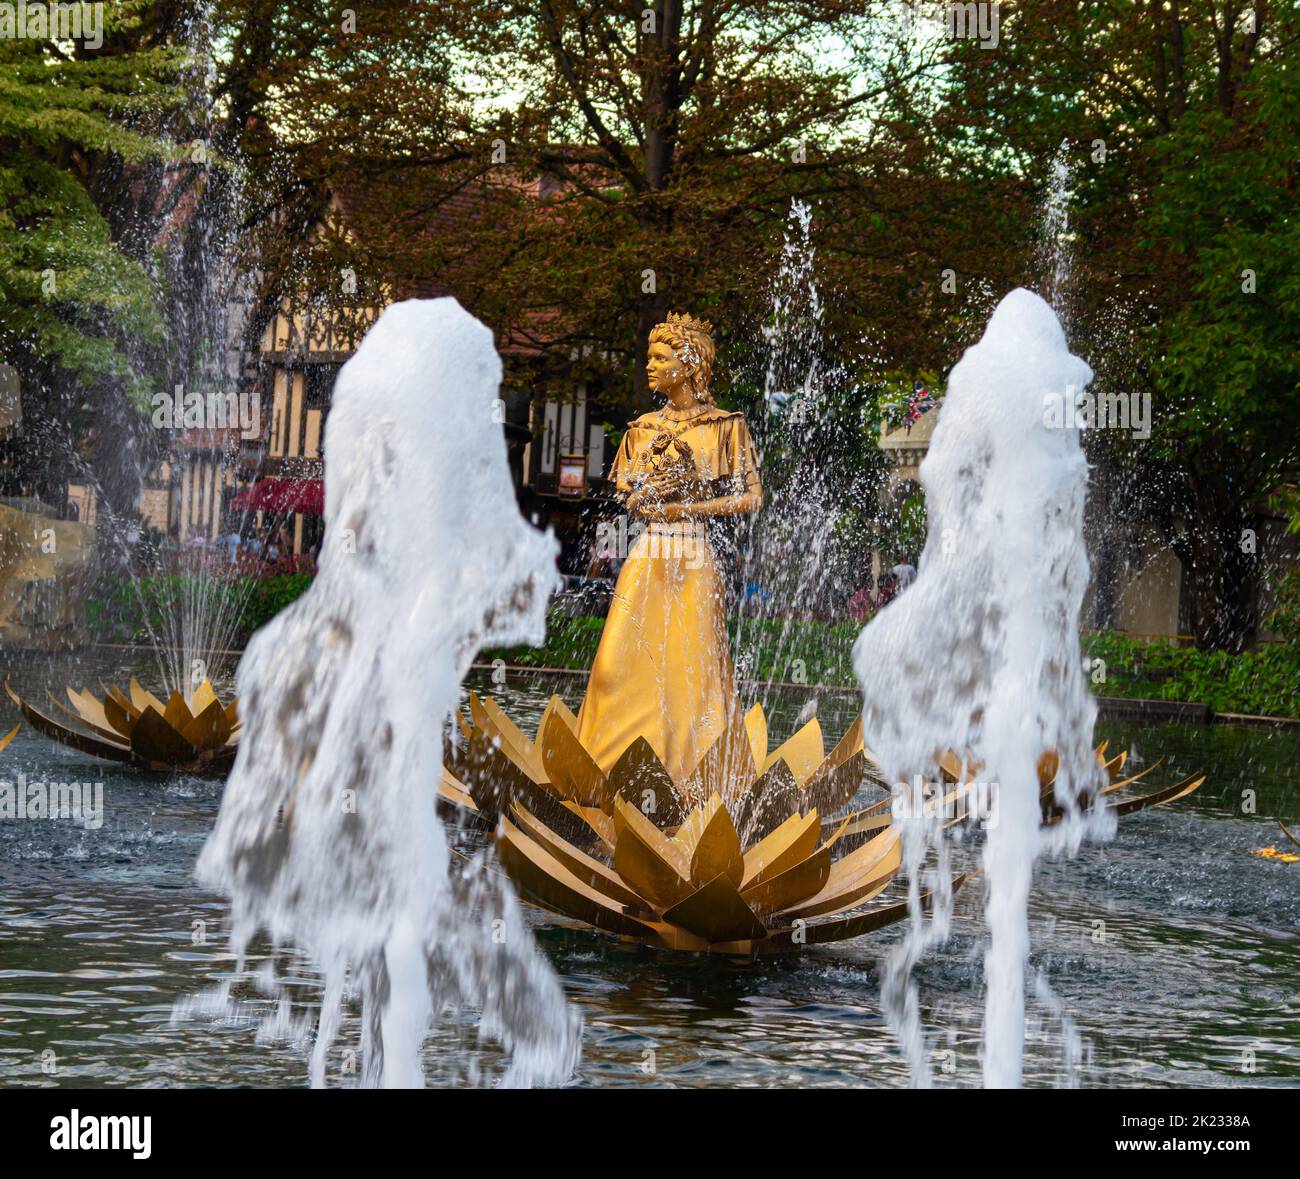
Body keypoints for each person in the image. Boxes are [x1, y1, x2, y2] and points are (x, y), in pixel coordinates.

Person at [574, 312, 763, 783]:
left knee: (696, 672)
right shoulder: (641, 429)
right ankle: (604, 771)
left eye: (661, 356)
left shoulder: (726, 427)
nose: (650, 366)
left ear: (691, 362)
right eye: (649, 357)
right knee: (616, 664)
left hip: (695, 558)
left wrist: (690, 509)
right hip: (647, 558)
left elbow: (752, 497)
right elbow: (629, 498)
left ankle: (697, 779)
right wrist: (645, 497)